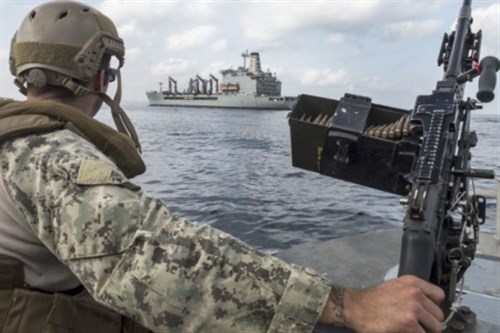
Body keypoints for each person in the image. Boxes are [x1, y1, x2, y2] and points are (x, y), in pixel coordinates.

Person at [0, 1, 445, 332]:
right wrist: (351, 305)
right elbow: (159, 259)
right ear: (102, 75)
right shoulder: (51, 156)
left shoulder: (12, 138)